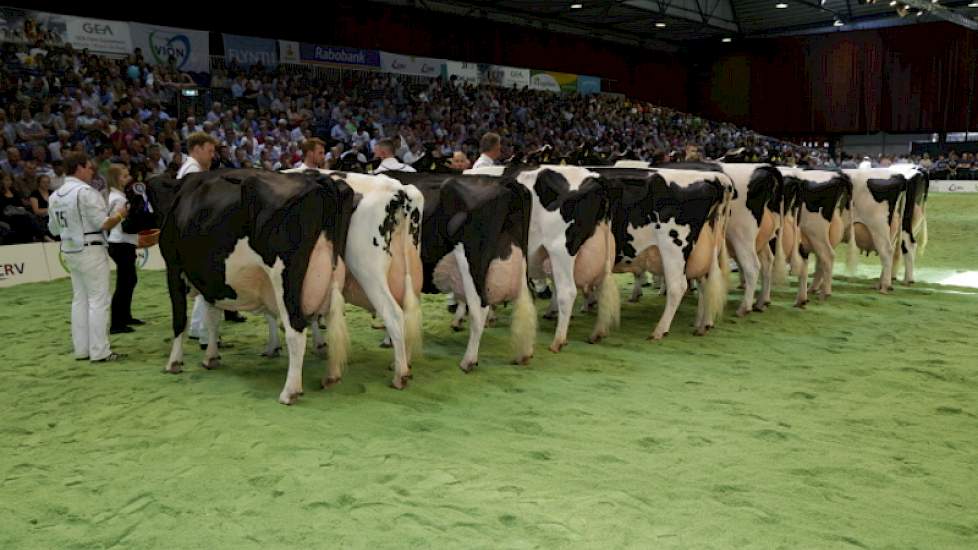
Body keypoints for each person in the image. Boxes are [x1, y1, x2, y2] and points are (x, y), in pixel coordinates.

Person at [47, 152, 127, 363]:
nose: (93, 171)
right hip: (91, 249)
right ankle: (100, 350)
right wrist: (120, 214)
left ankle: (82, 349)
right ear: (80, 168)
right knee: (98, 300)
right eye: (90, 167)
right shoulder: (86, 192)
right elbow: (104, 223)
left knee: (79, 300)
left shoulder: (55, 196)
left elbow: (53, 228)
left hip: (70, 250)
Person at [179, 132, 244, 345]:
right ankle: (206, 334)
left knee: (201, 285)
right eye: (209, 150)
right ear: (196, 149)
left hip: (192, 233)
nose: (212, 155)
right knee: (207, 284)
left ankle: (198, 328)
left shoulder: (191, 169)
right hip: (197, 233)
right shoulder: (193, 171)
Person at [105, 164, 142, 334]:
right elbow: (113, 221)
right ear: (116, 179)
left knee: (129, 280)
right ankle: (117, 323)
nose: (128, 179)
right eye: (124, 176)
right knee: (124, 283)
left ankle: (125, 316)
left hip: (123, 242)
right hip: (120, 242)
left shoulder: (119, 196)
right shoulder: (117, 199)